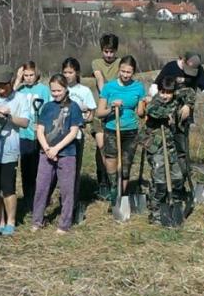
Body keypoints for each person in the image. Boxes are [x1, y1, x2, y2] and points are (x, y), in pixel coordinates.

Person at [0, 65, 33, 236]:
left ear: (10, 83)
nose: (0, 89)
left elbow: (25, 122)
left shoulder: (20, 98)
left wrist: (10, 117)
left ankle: (10, 221)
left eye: (4, 86)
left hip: (9, 150)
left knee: (8, 188)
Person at [31, 74, 84, 233]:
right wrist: (47, 148)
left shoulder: (73, 107)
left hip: (67, 154)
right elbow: (40, 130)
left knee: (67, 189)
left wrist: (56, 149)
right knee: (41, 187)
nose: (56, 94)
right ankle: (37, 220)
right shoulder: (47, 107)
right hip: (45, 154)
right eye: (53, 91)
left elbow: (73, 132)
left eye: (59, 90)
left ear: (66, 88)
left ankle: (64, 223)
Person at [94, 55, 146, 208]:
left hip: (131, 131)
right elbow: (99, 112)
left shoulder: (138, 87)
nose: (125, 75)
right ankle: (113, 189)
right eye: (123, 71)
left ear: (133, 72)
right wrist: (112, 107)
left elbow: (140, 113)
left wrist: (144, 104)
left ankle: (120, 198)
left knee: (126, 165)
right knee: (111, 160)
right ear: (119, 70)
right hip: (111, 128)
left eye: (128, 72)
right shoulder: (109, 87)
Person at [151, 52, 204, 163]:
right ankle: (166, 174)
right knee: (165, 146)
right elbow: (155, 87)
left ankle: (182, 175)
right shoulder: (170, 67)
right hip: (166, 114)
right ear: (182, 59)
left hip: (184, 116)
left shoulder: (198, 70)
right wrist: (160, 107)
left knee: (182, 148)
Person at [141, 76, 189, 223]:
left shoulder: (175, 98)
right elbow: (152, 110)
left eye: (169, 93)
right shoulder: (155, 101)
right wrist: (168, 114)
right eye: (163, 92)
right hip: (156, 147)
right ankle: (155, 211)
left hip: (170, 147)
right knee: (160, 181)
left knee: (178, 177)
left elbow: (190, 92)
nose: (165, 95)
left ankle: (172, 205)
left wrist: (187, 104)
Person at [60, 57, 98, 216]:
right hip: (59, 135)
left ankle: (72, 204)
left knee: (74, 170)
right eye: (65, 72)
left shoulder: (84, 91)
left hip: (76, 136)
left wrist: (83, 116)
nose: (68, 75)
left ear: (77, 73)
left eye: (71, 72)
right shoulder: (58, 89)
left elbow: (91, 113)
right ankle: (61, 201)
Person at [14, 61, 51, 220]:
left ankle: (40, 198)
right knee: (26, 169)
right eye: (25, 75)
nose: (28, 78)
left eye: (31, 75)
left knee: (39, 168)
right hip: (23, 134)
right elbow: (10, 95)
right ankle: (28, 198)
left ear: (36, 74)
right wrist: (17, 80)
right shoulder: (20, 89)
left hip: (39, 134)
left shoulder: (43, 89)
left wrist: (43, 126)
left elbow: (49, 109)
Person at [90, 33, 124, 198]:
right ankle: (102, 179)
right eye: (106, 51)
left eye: (112, 52)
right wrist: (106, 96)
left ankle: (114, 181)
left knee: (115, 148)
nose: (109, 55)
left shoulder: (120, 63)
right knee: (101, 146)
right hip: (101, 110)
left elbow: (121, 80)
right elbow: (100, 79)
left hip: (116, 110)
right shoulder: (96, 63)